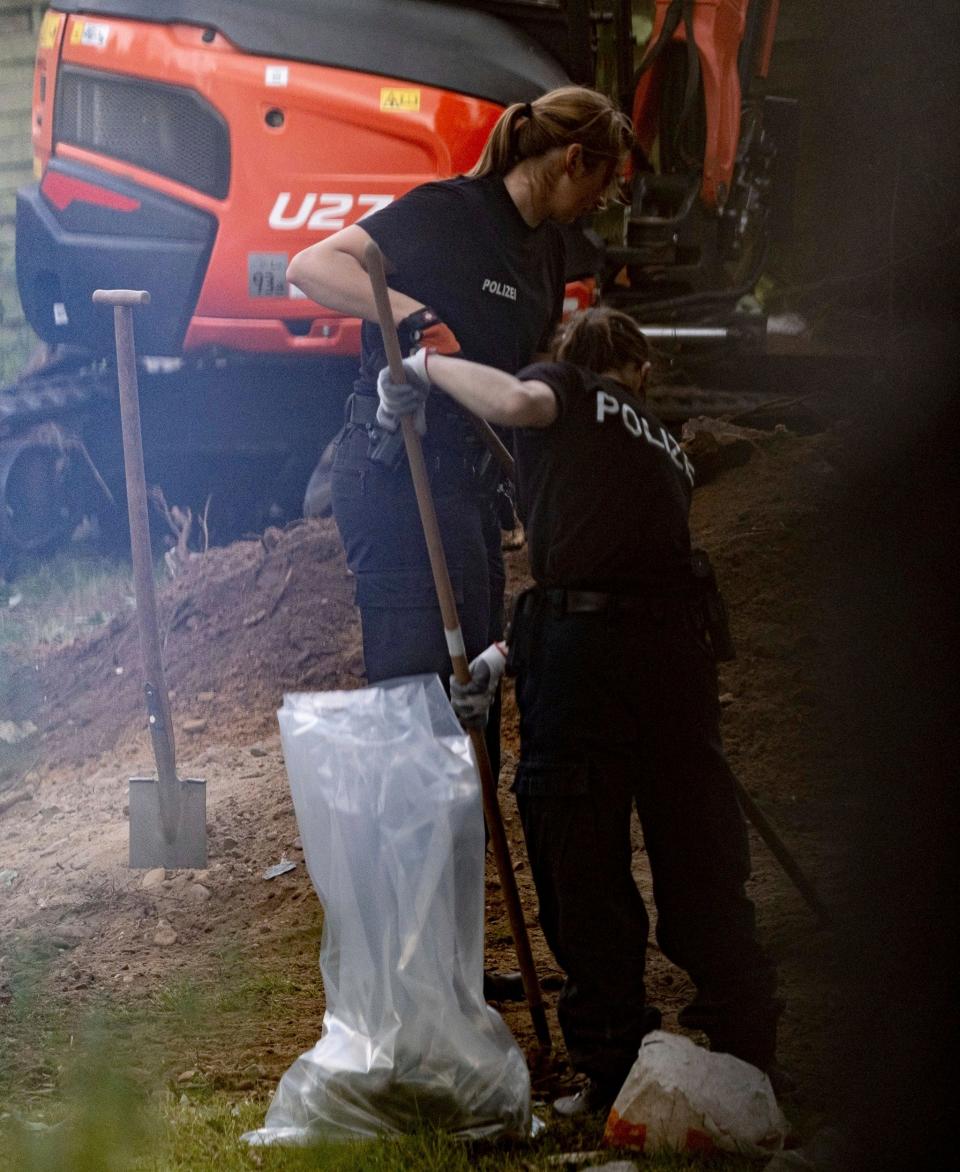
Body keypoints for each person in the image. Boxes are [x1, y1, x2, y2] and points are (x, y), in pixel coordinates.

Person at [375, 306, 787, 1115]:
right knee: (700, 854)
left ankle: (611, 1065)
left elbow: (517, 411)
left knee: (580, 860)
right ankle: (748, 1043)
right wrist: (502, 657)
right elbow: (617, 569)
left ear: (575, 362)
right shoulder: (663, 449)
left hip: (587, 670)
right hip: (673, 664)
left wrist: (421, 371)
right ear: (640, 370)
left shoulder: (571, 392)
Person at [286, 85, 631, 707]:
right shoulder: (449, 213)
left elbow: (521, 374)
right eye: (603, 181)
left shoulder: (549, 251)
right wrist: (414, 320)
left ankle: (467, 809)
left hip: (471, 490)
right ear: (572, 159)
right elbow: (312, 265)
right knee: (418, 706)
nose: (602, 201)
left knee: (471, 698)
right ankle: (414, 809)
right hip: (399, 477)